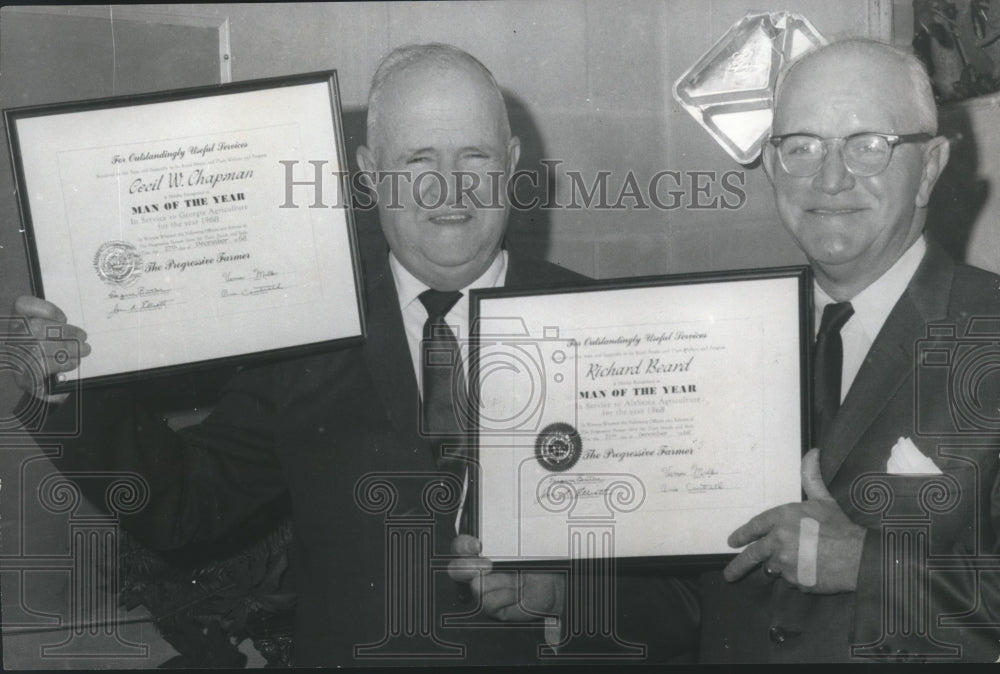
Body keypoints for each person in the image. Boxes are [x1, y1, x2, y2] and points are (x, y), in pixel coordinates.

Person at [13, 43, 697, 665]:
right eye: (417, 162)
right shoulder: (308, 334)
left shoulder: (612, 329)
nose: (448, 189)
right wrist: (71, 381)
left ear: (514, 167)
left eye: (474, 157)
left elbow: (685, 605)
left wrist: (564, 599)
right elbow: (185, 508)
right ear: (370, 176)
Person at [698, 38, 1000, 662]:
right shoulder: (716, 340)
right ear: (772, 167)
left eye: (869, 145)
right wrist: (558, 588)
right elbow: (695, 587)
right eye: (802, 147)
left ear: (932, 166)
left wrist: (867, 565)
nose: (831, 179)